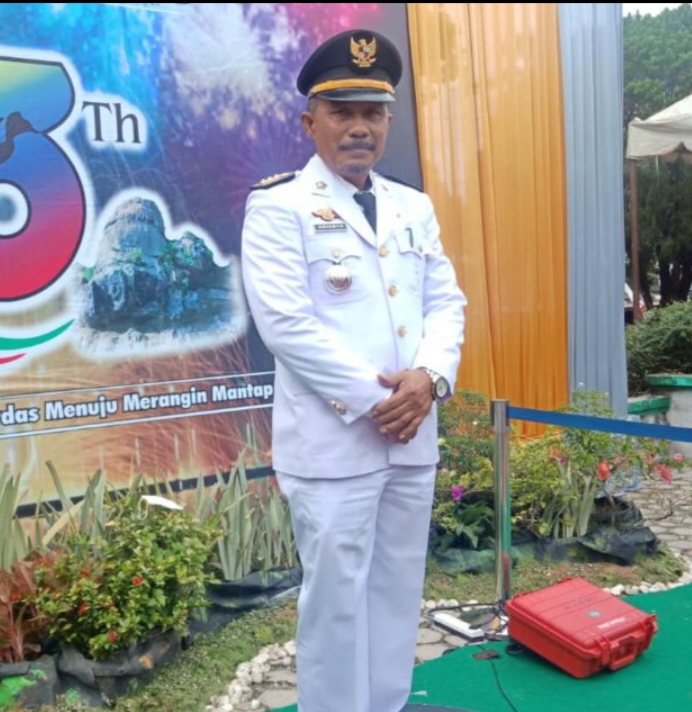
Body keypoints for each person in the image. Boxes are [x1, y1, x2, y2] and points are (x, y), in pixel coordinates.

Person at [240, 27, 467, 712]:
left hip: (412, 438)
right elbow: (286, 325)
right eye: (342, 112)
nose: (360, 127)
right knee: (336, 603)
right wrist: (382, 403)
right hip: (335, 446)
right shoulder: (278, 205)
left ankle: (387, 704)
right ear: (310, 123)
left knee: (397, 591)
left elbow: (445, 303)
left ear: (389, 122)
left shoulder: (412, 206)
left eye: (373, 113)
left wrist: (429, 379)